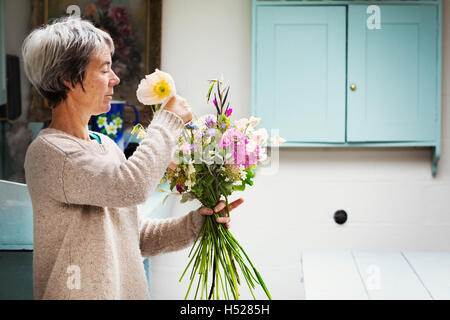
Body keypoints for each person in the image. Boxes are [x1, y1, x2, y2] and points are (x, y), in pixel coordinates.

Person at [22, 16, 244, 300]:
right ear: (68, 78)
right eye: (104, 70)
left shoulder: (105, 146)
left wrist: (199, 223)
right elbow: (132, 186)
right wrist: (168, 120)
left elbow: (134, 236)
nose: (115, 79)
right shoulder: (50, 153)